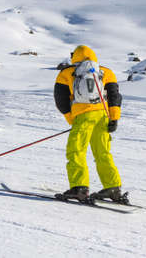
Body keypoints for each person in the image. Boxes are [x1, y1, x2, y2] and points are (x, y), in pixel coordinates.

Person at [54, 45, 125, 203]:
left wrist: (72, 119)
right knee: (103, 153)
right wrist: (114, 118)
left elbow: (60, 100)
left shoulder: (66, 73)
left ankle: (79, 187)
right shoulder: (106, 71)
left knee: (76, 151)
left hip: (83, 115)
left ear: (75, 57)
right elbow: (115, 96)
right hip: (102, 116)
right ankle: (113, 187)